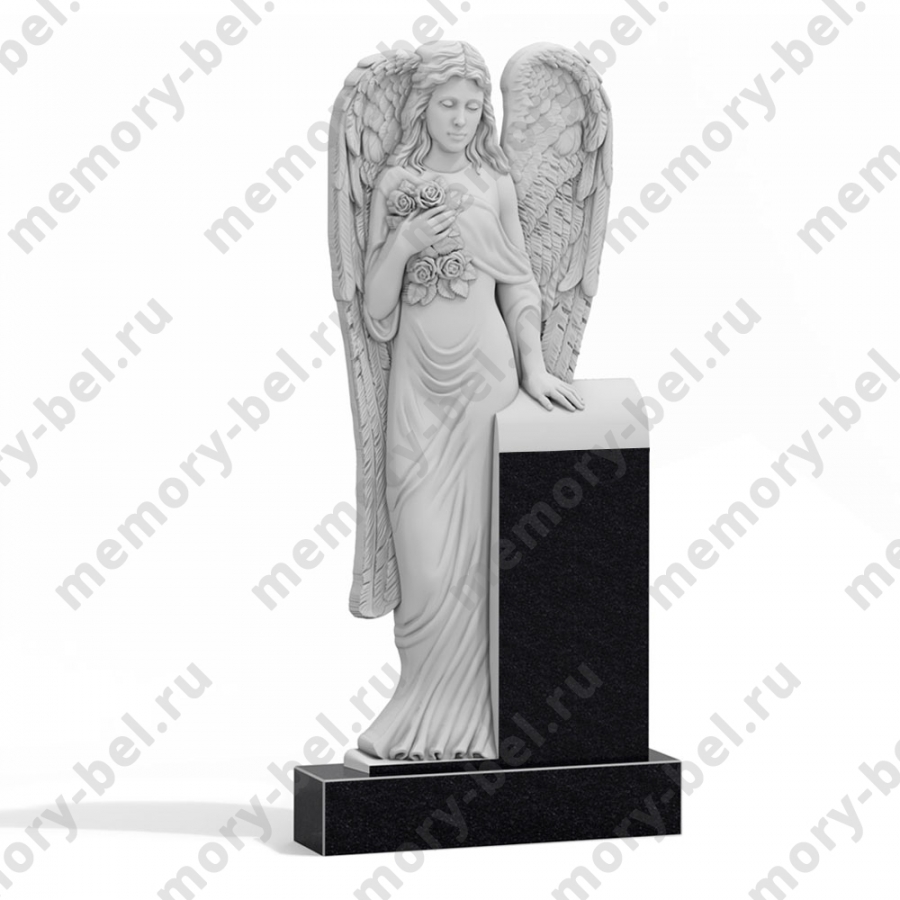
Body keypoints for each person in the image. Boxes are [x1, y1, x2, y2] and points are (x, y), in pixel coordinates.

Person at [357, 40, 583, 761]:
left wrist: (535, 366)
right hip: (417, 389)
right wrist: (403, 244)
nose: (460, 117)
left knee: (485, 555)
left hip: (487, 381)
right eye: (447, 104)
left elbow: (520, 284)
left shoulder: (495, 182)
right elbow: (375, 312)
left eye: (471, 104)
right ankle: (418, 704)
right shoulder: (395, 184)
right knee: (424, 560)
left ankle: (482, 716)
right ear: (422, 108)